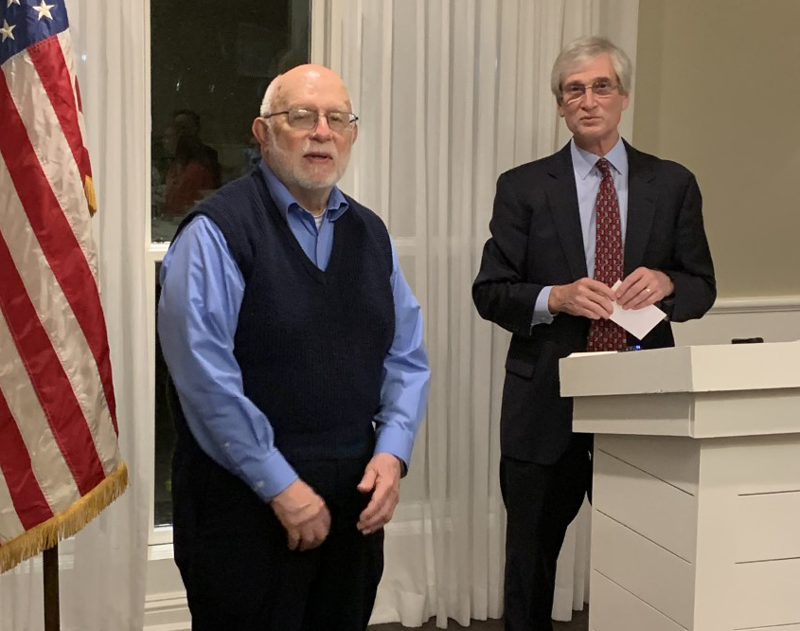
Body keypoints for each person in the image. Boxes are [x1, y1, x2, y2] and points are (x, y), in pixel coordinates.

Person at [158, 64, 430, 631]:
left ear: (352, 134)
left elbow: (405, 356)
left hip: (353, 503)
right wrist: (280, 486)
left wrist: (392, 451)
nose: (321, 132)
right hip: (241, 507)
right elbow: (206, 382)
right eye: (301, 116)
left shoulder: (371, 233)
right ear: (263, 133)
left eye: (337, 118)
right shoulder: (216, 232)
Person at [472, 36, 715, 631]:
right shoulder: (524, 187)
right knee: (529, 563)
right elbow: (490, 291)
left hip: (641, 402)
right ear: (560, 105)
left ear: (623, 97)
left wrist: (665, 282)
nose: (588, 100)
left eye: (601, 86)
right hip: (543, 402)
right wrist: (553, 297)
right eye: (573, 90)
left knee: (646, 553)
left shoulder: (673, 182)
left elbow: (702, 286)